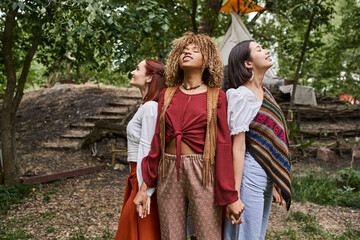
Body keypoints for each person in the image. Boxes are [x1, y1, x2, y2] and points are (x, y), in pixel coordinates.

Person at [134, 32, 244, 240]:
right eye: (184, 50)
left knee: (208, 233)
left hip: (202, 171)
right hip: (168, 169)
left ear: (207, 61)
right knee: (170, 234)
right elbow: (157, 142)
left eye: (195, 50)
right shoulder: (167, 94)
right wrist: (144, 187)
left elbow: (222, 146)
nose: (187, 52)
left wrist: (231, 196)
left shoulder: (216, 96)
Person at [223, 40, 292, 240]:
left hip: (266, 172)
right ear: (248, 63)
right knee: (245, 234)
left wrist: (277, 178)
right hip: (250, 172)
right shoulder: (241, 95)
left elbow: (271, 137)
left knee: (257, 234)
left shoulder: (265, 92)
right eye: (259, 49)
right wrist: (234, 195)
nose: (267, 51)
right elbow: (238, 147)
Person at [115, 59, 166, 240]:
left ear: (149, 78)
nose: (132, 72)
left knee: (141, 232)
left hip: (143, 178)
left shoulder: (151, 108)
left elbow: (150, 149)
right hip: (135, 176)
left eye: (137, 69)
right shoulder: (146, 106)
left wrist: (145, 188)